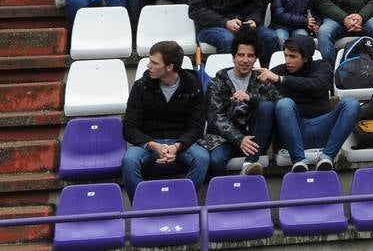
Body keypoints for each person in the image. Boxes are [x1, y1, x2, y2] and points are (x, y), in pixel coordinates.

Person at [254, 34, 360, 172]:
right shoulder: (278, 71)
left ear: (305, 57)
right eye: (286, 55)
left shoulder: (321, 66)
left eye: (293, 56)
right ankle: (299, 161)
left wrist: (281, 80)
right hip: (293, 130)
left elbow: (318, 85)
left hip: (322, 126)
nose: (287, 61)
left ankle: (327, 158)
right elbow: (257, 93)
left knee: (351, 103)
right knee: (284, 104)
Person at [121, 39, 210, 196]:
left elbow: (196, 127)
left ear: (169, 67)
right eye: (150, 61)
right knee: (129, 161)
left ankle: (184, 203)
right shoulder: (141, 86)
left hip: (181, 144)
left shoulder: (194, 86)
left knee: (202, 158)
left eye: (154, 63)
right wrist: (154, 145)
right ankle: (141, 210)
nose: (149, 66)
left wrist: (177, 146)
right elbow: (129, 128)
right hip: (150, 144)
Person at [202, 31, 277, 176]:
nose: (245, 60)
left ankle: (249, 164)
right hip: (226, 138)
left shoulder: (262, 79)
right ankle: (224, 195)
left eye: (250, 56)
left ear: (256, 59)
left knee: (267, 106)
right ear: (233, 57)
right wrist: (239, 139)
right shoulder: (217, 82)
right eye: (241, 55)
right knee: (216, 160)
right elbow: (215, 117)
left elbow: (277, 104)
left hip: (256, 136)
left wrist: (250, 98)